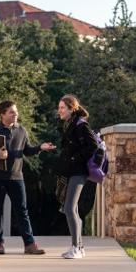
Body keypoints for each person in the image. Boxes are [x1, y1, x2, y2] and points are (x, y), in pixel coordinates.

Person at [0, 100, 56, 255]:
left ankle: (29, 245)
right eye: (12, 112)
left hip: (16, 177)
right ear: (2, 114)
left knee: (22, 211)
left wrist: (40, 148)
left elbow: (27, 151)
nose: (16, 114)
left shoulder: (21, 130)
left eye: (16, 111)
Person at [57, 94, 98, 259]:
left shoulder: (81, 125)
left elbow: (93, 145)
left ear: (71, 108)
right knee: (71, 208)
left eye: (62, 108)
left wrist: (75, 158)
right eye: (59, 107)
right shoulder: (69, 124)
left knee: (69, 208)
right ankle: (78, 247)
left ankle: (76, 247)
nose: (59, 111)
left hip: (79, 171)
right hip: (71, 171)